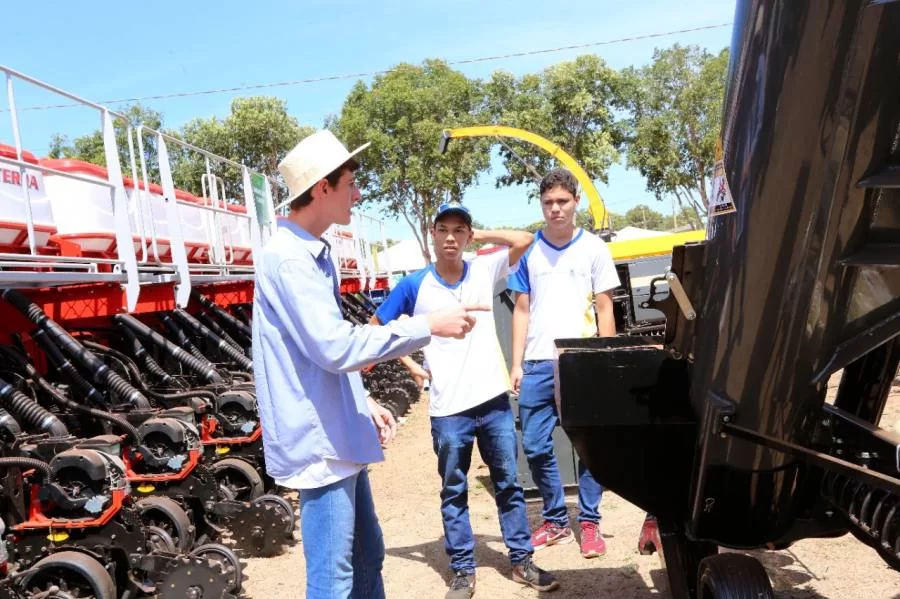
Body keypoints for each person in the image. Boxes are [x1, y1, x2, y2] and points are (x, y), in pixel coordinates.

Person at [251, 130, 489, 598]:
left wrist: (362, 401)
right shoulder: (289, 260)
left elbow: (321, 351)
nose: (357, 194)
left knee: (366, 556)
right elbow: (335, 347)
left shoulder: (309, 255)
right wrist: (426, 325)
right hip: (321, 443)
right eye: (350, 184)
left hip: (336, 431)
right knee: (334, 578)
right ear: (322, 188)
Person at [371, 201, 559, 598]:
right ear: (432, 235)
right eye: (444, 229)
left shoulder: (485, 269)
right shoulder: (414, 286)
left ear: (468, 236)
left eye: (460, 230)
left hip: (492, 402)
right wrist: (408, 362)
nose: (451, 237)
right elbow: (375, 329)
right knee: (454, 491)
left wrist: (482, 236)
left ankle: (521, 560)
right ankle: (462, 570)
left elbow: (526, 238)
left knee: (508, 484)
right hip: (448, 409)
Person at [507, 168, 620, 559]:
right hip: (538, 363)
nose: (555, 209)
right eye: (548, 202)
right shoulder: (528, 252)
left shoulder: (594, 248)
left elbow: (606, 307)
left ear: (576, 203)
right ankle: (555, 519)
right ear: (542, 205)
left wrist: (605, 361)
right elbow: (521, 309)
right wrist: (516, 363)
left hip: (581, 360)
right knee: (535, 446)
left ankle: (589, 522)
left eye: (562, 201)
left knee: (590, 447)